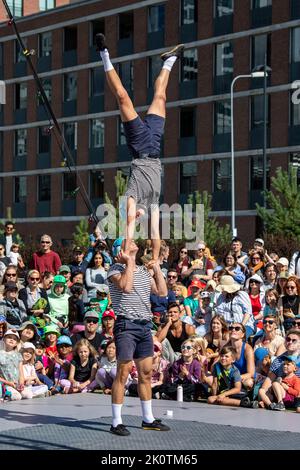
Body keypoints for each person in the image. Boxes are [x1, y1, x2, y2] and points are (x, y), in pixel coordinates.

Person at [97, 32, 184, 263]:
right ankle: (169, 60)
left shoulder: (131, 197)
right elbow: (156, 234)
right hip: (154, 147)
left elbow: (127, 227)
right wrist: (155, 259)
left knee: (123, 97)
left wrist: (126, 252)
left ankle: (103, 54)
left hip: (139, 146)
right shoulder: (154, 205)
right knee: (161, 97)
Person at [107, 237, 170, 436]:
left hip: (144, 326)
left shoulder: (143, 271)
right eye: (129, 241)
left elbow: (162, 291)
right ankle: (116, 421)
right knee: (123, 373)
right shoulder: (115, 269)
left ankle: (148, 419)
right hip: (126, 324)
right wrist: (129, 262)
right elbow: (125, 286)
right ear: (122, 250)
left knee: (146, 374)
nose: (134, 241)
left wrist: (157, 268)